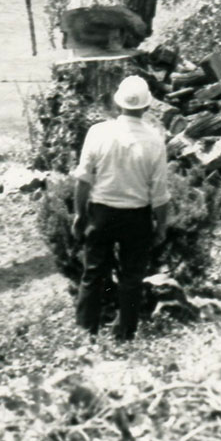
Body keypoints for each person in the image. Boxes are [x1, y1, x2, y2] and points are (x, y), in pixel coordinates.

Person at [72, 75, 170, 341]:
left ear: (118, 104)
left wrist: (80, 214)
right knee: (131, 277)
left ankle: (85, 333)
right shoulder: (154, 140)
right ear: (147, 107)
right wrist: (161, 225)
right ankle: (125, 334)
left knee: (93, 273)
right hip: (136, 218)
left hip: (101, 212)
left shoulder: (98, 132)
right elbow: (159, 194)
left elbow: (83, 180)